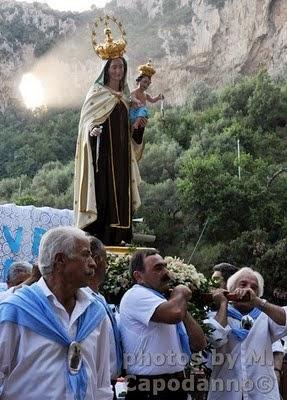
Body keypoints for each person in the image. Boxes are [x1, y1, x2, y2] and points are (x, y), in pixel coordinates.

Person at [0, 226, 113, 400]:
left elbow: (102, 386)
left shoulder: (96, 314)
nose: (93, 263)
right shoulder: (15, 310)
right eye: (85, 255)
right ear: (60, 260)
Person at [74, 18, 144, 245]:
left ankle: (122, 240)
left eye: (121, 67)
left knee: (123, 199)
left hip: (122, 160)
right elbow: (86, 123)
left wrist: (138, 130)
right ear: (107, 70)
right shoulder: (96, 94)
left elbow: (133, 136)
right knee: (104, 198)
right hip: (102, 159)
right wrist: (92, 130)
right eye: (114, 67)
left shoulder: (126, 99)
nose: (118, 70)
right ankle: (102, 240)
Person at [120, 249, 207, 400]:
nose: (166, 272)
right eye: (158, 268)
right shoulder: (136, 295)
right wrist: (180, 292)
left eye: (165, 266)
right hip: (150, 388)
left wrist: (178, 303)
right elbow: (174, 314)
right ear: (138, 276)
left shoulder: (168, 303)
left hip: (175, 385)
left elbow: (199, 343)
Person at [205, 267, 287, 400]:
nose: (248, 289)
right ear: (231, 290)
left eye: (254, 288)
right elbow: (215, 338)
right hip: (225, 394)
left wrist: (258, 302)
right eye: (243, 284)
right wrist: (223, 303)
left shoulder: (265, 317)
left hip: (261, 394)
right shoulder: (215, 315)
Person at [85, 236, 122, 400]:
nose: (107, 265)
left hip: (107, 385)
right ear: (98, 260)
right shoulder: (85, 300)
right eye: (106, 260)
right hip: (94, 387)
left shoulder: (98, 297)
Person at [130, 60, 163, 145]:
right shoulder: (135, 91)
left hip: (141, 117)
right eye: (144, 82)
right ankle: (136, 124)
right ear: (139, 80)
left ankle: (137, 128)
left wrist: (158, 97)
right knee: (143, 108)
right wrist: (137, 101)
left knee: (144, 111)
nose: (146, 85)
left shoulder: (145, 94)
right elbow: (131, 97)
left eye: (148, 84)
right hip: (134, 114)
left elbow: (152, 100)